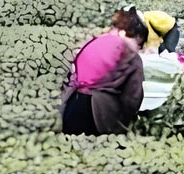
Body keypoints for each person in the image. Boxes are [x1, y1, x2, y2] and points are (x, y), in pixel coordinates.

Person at [62, 7, 149, 135]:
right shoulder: (131, 55)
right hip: (97, 114)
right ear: (137, 37)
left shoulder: (95, 41)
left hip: (71, 106)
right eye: (139, 45)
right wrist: (127, 122)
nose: (139, 49)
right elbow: (132, 98)